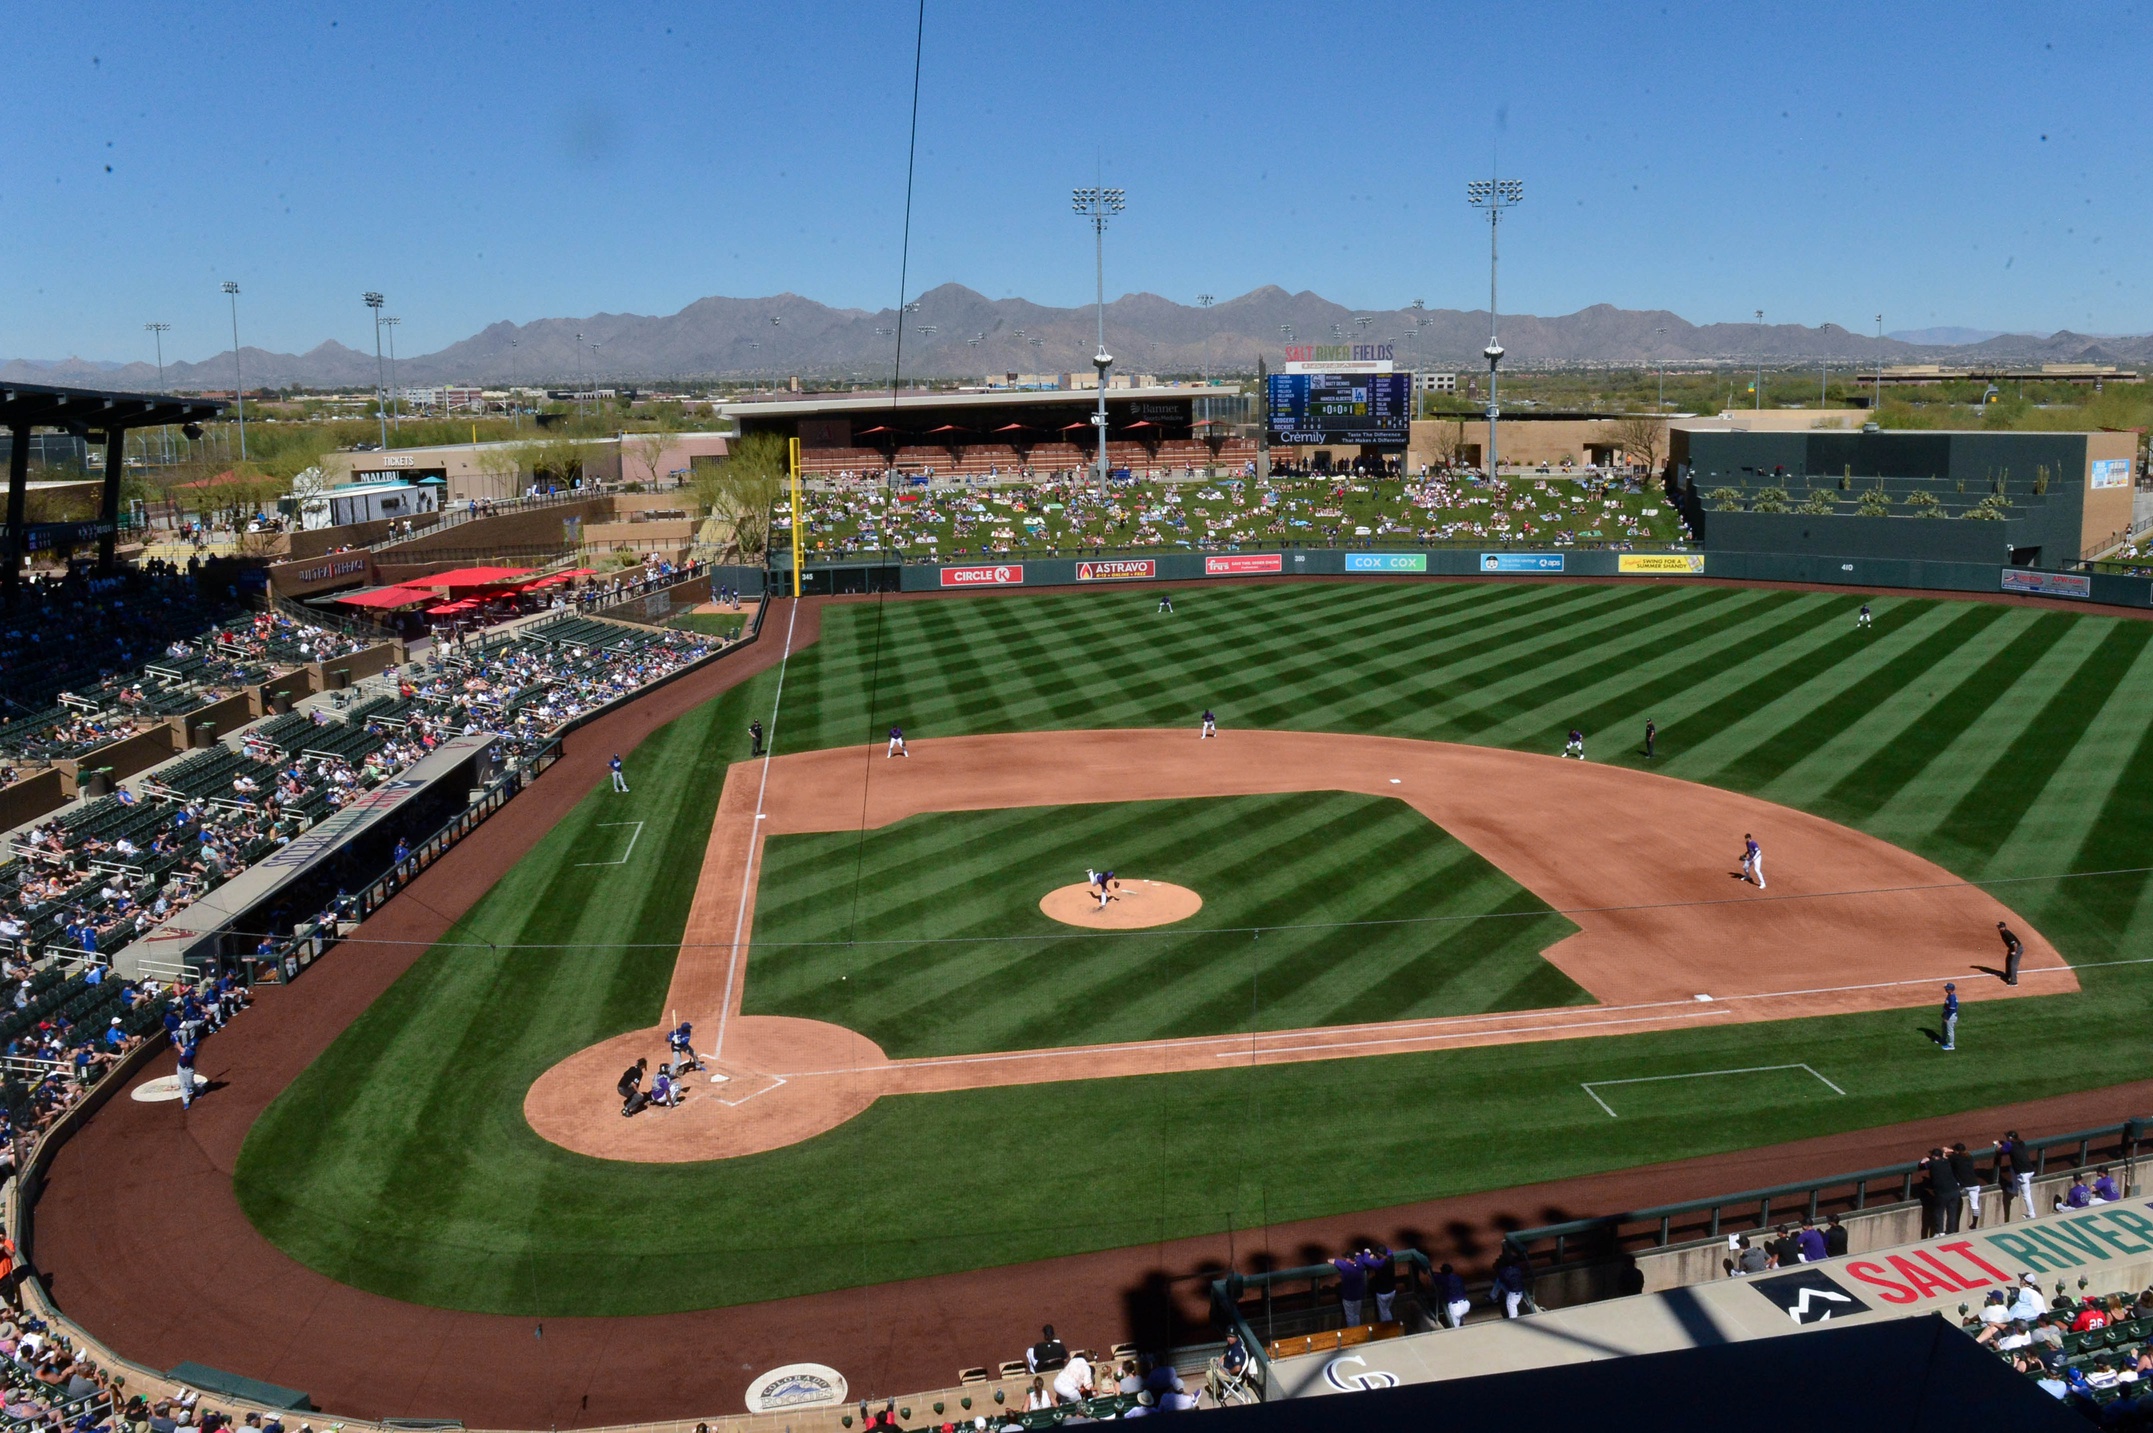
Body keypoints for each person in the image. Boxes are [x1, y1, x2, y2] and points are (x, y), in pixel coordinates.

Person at [1996, 1131, 2036, 1220]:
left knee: (2026, 1195)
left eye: (2007, 1137)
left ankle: (2032, 1214)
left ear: (2010, 1138)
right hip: (2030, 1169)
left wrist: (1998, 1146)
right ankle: (2014, 1190)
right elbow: (2011, 1147)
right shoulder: (2021, 1143)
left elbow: (2000, 1151)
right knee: (2012, 1168)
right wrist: (2004, 1144)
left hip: (2023, 1174)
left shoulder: (2009, 1144)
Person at [1206, 1332, 1249, 1405]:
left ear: (1236, 1337)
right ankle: (1218, 1384)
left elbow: (1237, 1368)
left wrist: (1226, 1372)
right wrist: (1222, 1357)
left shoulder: (1237, 1350)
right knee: (1212, 1361)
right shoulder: (1234, 1343)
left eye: (1231, 1337)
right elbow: (1228, 1351)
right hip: (1226, 1365)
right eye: (1228, 1336)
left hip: (1232, 1374)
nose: (1228, 1339)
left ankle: (1218, 1394)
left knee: (1209, 1374)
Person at [1331, 1249, 1368, 1325]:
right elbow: (1360, 1256)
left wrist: (1344, 1262)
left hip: (1348, 1297)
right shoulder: (1360, 1264)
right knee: (1357, 1315)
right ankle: (1357, 1332)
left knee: (1350, 1317)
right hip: (1358, 1296)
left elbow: (1330, 1260)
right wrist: (1358, 1255)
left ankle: (1352, 1334)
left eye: (1346, 1258)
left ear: (1348, 1259)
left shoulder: (1345, 1265)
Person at [1363, 1245, 1398, 1322]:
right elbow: (1388, 1250)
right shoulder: (1390, 1256)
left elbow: (1366, 1261)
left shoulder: (1379, 1264)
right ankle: (1391, 1327)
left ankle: (1386, 1331)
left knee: (1383, 1313)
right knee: (1387, 1310)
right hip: (1392, 1291)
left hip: (1383, 1294)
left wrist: (1366, 1252)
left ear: (1380, 1254)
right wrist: (1375, 1254)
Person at [1434, 1262, 1470, 1326]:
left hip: (1455, 1308)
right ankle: (1461, 1318)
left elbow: (1435, 1278)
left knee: (1455, 1328)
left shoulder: (1443, 1278)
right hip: (1466, 1304)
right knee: (1460, 1320)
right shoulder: (1458, 1277)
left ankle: (1459, 1319)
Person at [175, 1037, 200, 1110]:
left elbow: (180, 1049)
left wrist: (176, 1039)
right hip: (180, 1067)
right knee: (183, 1085)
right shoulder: (187, 1046)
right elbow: (178, 1047)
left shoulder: (191, 1053)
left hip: (188, 1069)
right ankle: (186, 1102)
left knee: (190, 1085)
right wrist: (175, 1042)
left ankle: (199, 1090)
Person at [1999, 921, 2024, 986]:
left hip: (2017, 949)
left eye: (2000, 927)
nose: (1999, 928)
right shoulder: (2003, 933)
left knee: (2013, 964)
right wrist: (2010, 949)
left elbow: (2015, 944)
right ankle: (2008, 975)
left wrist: (2014, 952)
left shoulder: (2006, 933)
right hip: (2013, 948)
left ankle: (2014, 982)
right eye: (1998, 927)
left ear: (2003, 927)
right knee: (2008, 960)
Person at [1940, 981, 1958, 1051]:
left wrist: (1947, 1017)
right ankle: (1943, 1039)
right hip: (1947, 1014)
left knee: (1950, 1031)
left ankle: (1951, 1045)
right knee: (1943, 1027)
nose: (1945, 989)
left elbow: (1952, 1010)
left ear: (1950, 989)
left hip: (1951, 1016)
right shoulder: (1949, 995)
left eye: (1947, 988)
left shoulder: (1952, 998)